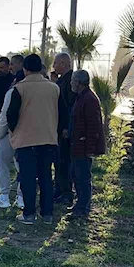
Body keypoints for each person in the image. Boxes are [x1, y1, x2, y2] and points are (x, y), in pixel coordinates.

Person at [6, 54, 60, 225]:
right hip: (48, 139)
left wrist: (14, 132)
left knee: (28, 178)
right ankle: (47, 213)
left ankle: (29, 214)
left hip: (26, 140)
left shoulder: (19, 88)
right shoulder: (54, 88)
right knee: (45, 176)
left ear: (25, 69)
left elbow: (11, 115)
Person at [69, 70, 106, 219]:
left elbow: (93, 126)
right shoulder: (81, 97)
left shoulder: (89, 99)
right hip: (77, 144)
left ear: (78, 82)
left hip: (83, 146)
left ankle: (83, 208)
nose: (71, 83)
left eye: (73, 81)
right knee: (77, 176)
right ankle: (79, 205)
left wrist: (90, 148)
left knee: (83, 177)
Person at [0, 78, 24, 210]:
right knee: (23, 166)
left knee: (1, 164)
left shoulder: (12, 92)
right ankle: (22, 197)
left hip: (8, 134)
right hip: (26, 134)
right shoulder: (35, 91)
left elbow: (4, 115)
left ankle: (4, 196)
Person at [53, 52, 76, 206]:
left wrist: (66, 127)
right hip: (59, 128)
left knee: (64, 161)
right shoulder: (62, 80)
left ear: (63, 63)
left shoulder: (70, 81)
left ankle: (66, 192)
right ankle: (59, 189)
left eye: (55, 63)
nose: (53, 66)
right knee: (59, 161)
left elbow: (69, 106)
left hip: (65, 130)